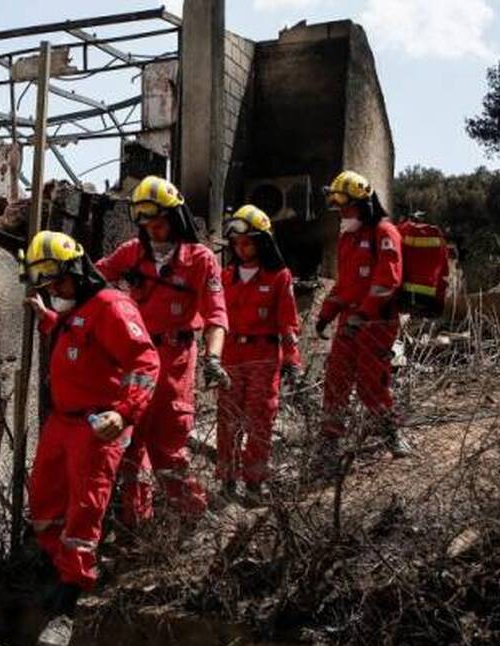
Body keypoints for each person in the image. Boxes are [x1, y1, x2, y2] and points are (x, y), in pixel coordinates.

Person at [22, 230, 161, 646]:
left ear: (78, 271)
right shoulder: (76, 309)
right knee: (44, 504)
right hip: (62, 423)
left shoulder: (112, 307)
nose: (55, 290)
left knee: (85, 512)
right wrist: (46, 316)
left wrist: (123, 412)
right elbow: (76, 343)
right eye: (48, 286)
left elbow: (146, 361)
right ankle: (62, 572)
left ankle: (68, 605)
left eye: (58, 282)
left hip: (96, 426)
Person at [94, 175, 229, 525]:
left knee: (168, 448)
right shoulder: (132, 253)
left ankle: (195, 521)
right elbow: (93, 279)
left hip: (175, 359)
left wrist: (214, 358)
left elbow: (216, 313)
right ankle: (136, 526)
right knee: (130, 444)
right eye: (147, 224)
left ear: (175, 217)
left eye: (159, 222)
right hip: (134, 358)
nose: (154, 230)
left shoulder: (200, 260)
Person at [313, 170, 412, 471]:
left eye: (347, 207)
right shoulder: (349, 238)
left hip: (377, 322)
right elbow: (345, 285)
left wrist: (363, 313)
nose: (342, 213)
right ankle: (330, 441)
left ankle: (391, 434)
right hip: (350, 320)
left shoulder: (385, 233)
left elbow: (387, 282)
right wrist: (326, 313)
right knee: (337, 379)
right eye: (339, 208)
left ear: (364, 204)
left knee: (372, 382)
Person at [214, 205, 302, 502]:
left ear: (262, 242)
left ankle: (255, 482)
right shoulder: (226, 277)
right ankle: (227, 480)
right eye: (236, 244)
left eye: (247, 242)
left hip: (264, 357)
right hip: (230, 357)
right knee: (228, 420)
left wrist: (292, 360)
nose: (241, 248)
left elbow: (288, 322)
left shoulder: (280, 277)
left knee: (260, 420)